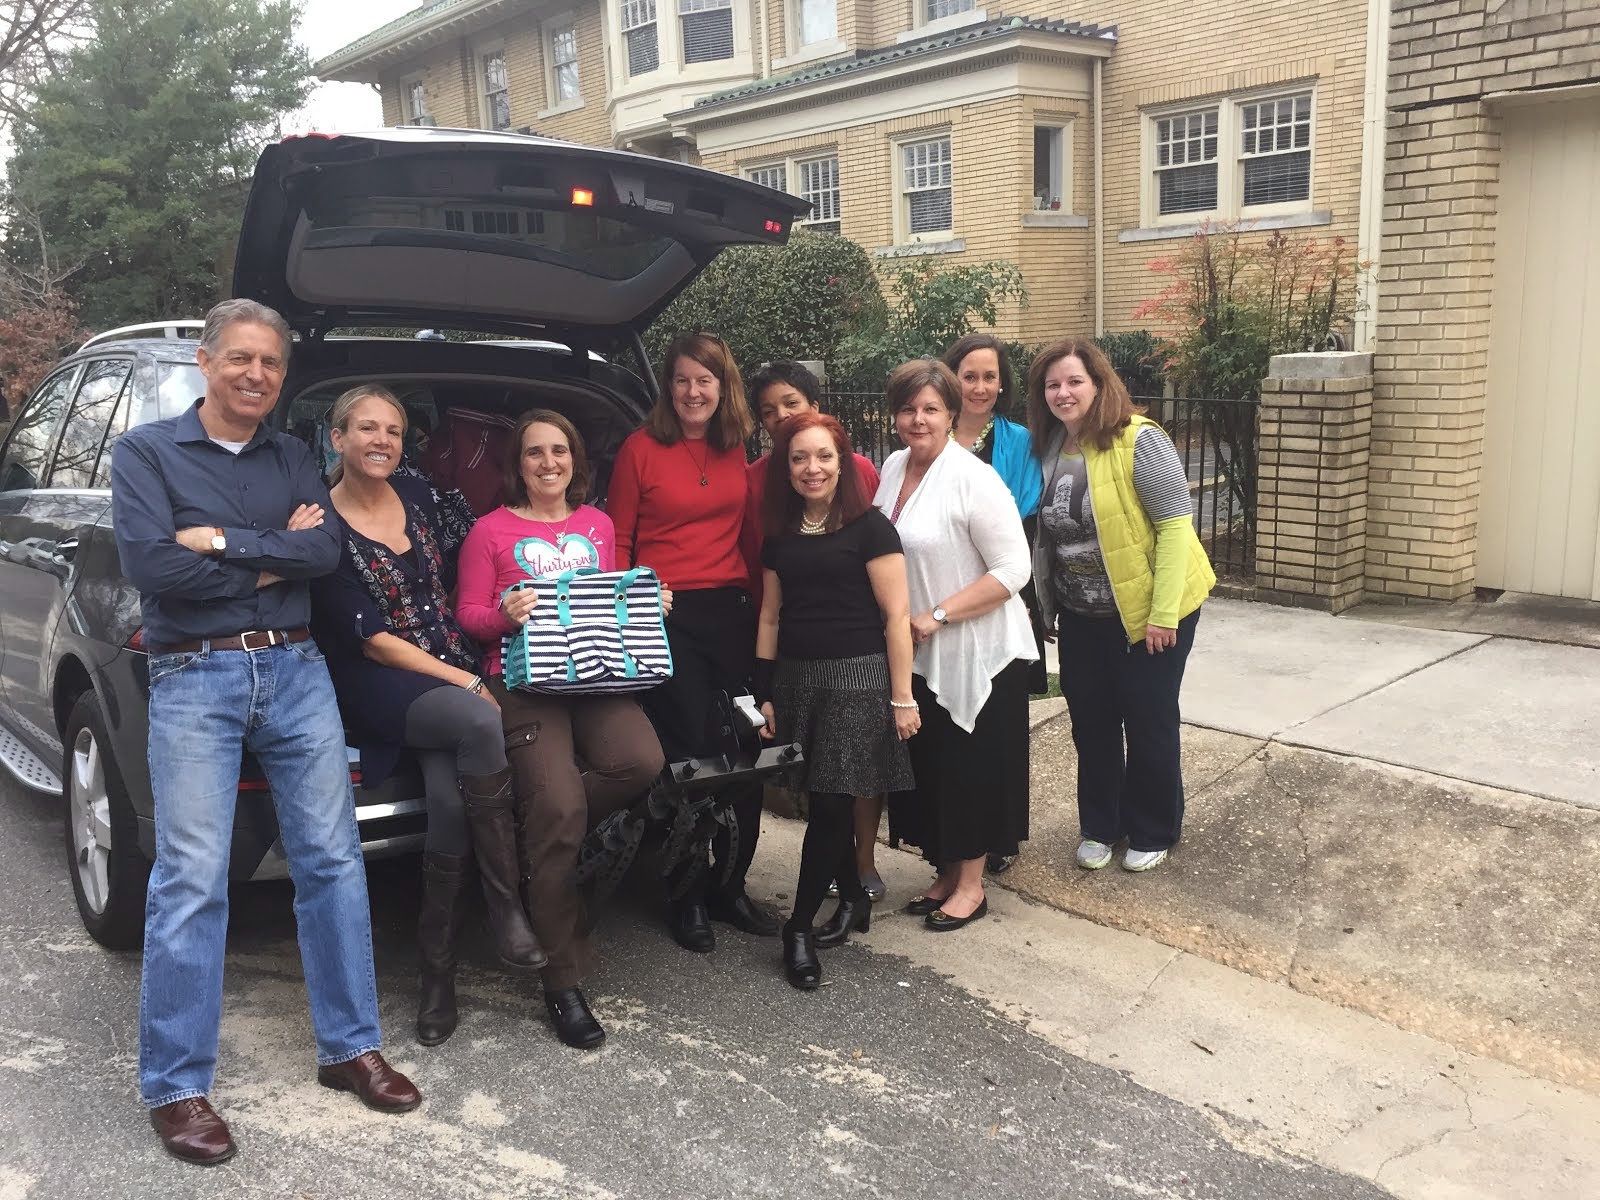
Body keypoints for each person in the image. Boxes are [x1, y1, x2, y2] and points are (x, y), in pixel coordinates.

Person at [110, 300, 420, 1168]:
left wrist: (218, 543)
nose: (256, 375)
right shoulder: (146, 453)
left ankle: (349, 1046)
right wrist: (268, 546)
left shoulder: (292, 454)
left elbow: (324, 558)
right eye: (240, 359)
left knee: (331, 859)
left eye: (271, 364)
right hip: (193, 676)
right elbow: (152, 566)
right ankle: (176, 1086)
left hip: (295, 669)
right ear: (206, 364)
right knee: (193, 877)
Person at [309, 384, 545, 1051]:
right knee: (475, 723)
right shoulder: (323, 525)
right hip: (377, 678)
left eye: (392, 430)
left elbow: (472, 561)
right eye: (365, 429)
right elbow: (373, 641)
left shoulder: (418, 495)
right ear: (338, 439)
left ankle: (436, 973)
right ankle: (505, 909)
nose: (380, 440)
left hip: (443, 654)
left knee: (448, 799)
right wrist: (469, 678)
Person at [456, 409, 665, 1048]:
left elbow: (605, 597)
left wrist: (647, 599)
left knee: (641, 762)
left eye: (559, 451)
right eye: (534, 454)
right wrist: (504, 613)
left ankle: (535, 830)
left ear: (575, 459)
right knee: (561, 808)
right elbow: (466, 615)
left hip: (593, 674)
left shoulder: (596, 525)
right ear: (517, 466)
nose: (548, 463)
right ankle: (562, 981)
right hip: (522, 682)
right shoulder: (488, 531)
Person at [607, 333, 780, 953]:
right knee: (694, 752)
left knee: (749, 745)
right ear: (668, 387)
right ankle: (686, 894)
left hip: (730, 613)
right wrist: (628, 618)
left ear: (722, 385)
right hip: (665, 615)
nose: (692, 391)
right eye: (681, 379)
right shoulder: (640, 450)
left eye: (705, 379)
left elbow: (752, 539)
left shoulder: (740, 450)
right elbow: (620, 544)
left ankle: (732, 886)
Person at [1026, 338, 1215, 873]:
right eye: (1052, 384)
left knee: (1149, 719)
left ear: (1099, 383)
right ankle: (1101, 825)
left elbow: (1177, 529)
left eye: (1074, 381)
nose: (1063, 392)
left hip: (1151, 611)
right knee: (1091, 722)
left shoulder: (1139, 439)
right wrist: (1048, 606)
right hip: (1082, 614)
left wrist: (1161, 614)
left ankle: (1154, 827)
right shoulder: (1048, 450)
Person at [752, 412, 918, 989]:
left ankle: (796, 927)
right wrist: (765, 691)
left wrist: (902, 698)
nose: (812, 467)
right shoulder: (779, 534)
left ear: (843, 462)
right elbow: (770, 615)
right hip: (797, 680)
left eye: (823, 456)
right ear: (787, 468)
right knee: (827, 800)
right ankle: (853, 896)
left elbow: (897, 617)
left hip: (857, 680)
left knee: (828, 804)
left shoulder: (871, 528)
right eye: (799, 458)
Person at [874, 359, 1036, 932]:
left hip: (978, 648)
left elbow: (1014, 567)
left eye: (931, 409)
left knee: (972, 768)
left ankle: (971, 885)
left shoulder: (973, 477)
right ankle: (944, 874)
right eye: (908, 408)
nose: (918, 419)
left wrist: (939, 614)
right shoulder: (893, 468)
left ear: (951, 413)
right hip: (917, 648)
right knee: (935, 765)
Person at [741, 361, 887, 902]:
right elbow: (756, 563)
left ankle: (862, 865)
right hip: (787, 638)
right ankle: (841, 879)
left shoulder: (857, 474)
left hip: (852, 651)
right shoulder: (755, 478)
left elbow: (874, 567)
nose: (780, 416)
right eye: (768, 411)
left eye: (791, 403)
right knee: (817, 775)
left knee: (850, 773)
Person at [942, 333, 1047, 875]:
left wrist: (1018, 598)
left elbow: (1024, 528)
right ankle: (952, 833)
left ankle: (1000, 834)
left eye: (990, 376)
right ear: (950, 377)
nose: (980, 387)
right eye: (969, 375)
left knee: (1001, 722)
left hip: (1005, 591)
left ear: (1002, 382)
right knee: (952, 720)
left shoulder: (1021, 443)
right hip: (943, 596)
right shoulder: (931, 436)